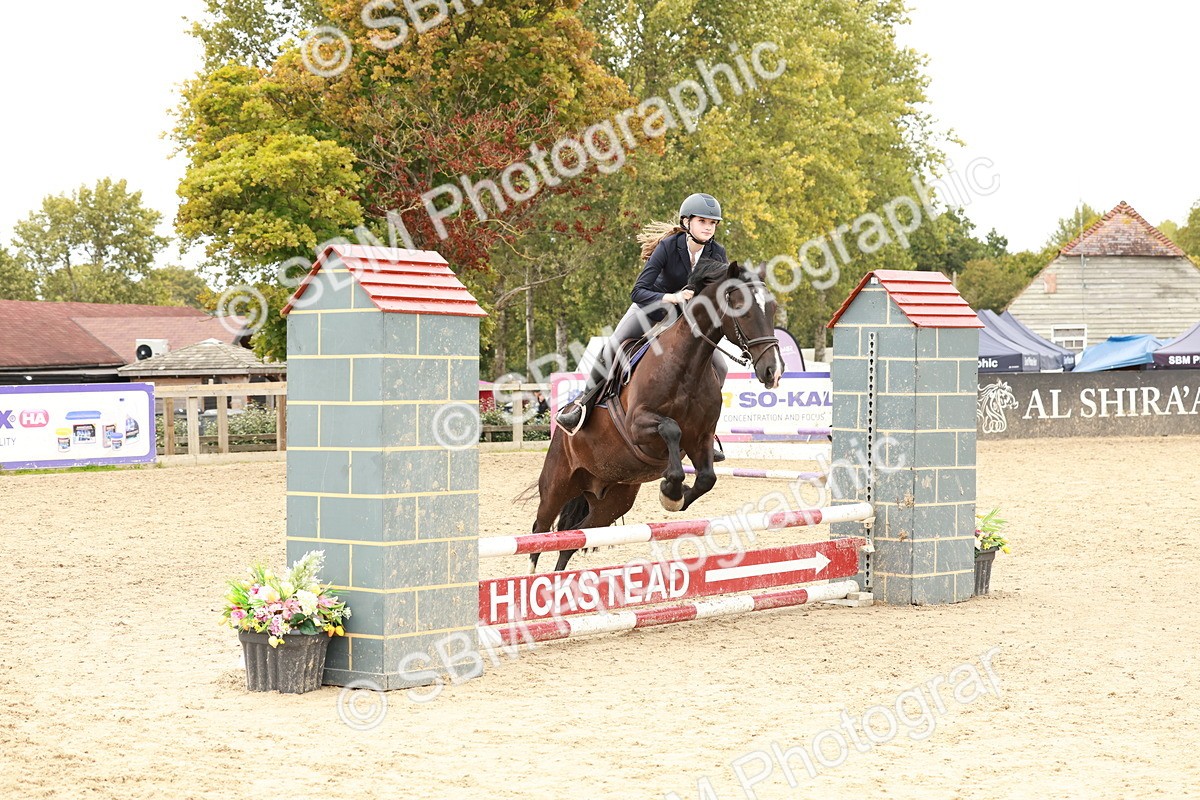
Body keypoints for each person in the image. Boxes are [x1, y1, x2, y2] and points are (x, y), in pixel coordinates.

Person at [555, 193, 729, 459]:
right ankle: (583, 405)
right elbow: (638, 291)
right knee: (612, 347)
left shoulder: (717, 253)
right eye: (703, 221)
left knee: (721, 365)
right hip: (651, 307)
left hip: (684, 319)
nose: (708, 227)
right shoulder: (670, 247)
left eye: (713, 223)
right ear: (687, 222)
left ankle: (706, 431)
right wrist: (669, 297)